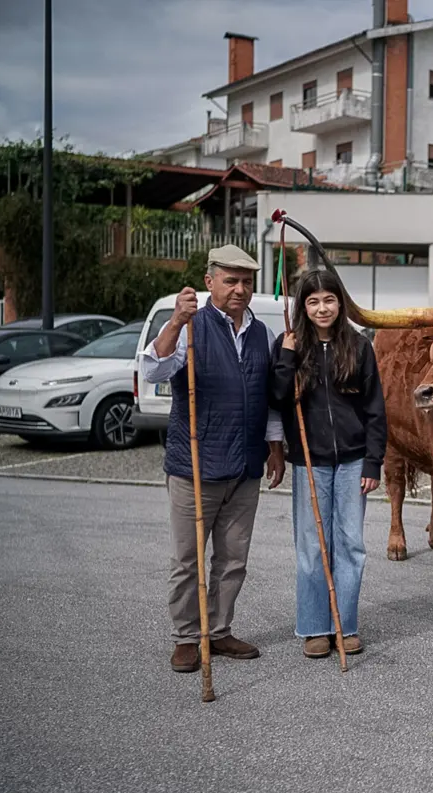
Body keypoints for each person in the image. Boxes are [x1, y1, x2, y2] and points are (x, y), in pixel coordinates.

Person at [140, 244, 286, 673]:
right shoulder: (190, 327)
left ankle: (218, 630)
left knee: (233, 559)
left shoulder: (262, 334)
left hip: (245, 467)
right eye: (230, 280)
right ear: (210, 282)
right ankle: (187, 637)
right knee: (187, 561)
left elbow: (268, 400)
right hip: (195, 467)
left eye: (246, 282)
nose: (240, 289)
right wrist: (175, 322)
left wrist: (275, 448)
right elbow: (153, 370)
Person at [269, 268, 387, 658]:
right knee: (313, 545)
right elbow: (277, 397)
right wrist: (287, 357)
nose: (323, 308)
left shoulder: (359, 346)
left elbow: (375, 409)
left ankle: (344, 625)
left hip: (353, 460)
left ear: (340, 303)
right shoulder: (289, 345)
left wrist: (373, 461)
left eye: (330, 300)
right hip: (310, 461)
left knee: (350, 544)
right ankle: (315, 627)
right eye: (314, 301)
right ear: (303, 307)